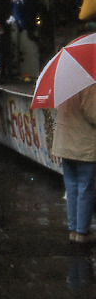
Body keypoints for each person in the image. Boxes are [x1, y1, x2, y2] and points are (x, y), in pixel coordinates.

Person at [52, 86, 96, 243]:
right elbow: (93, 114)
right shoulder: (89, 84)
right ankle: (82, 232)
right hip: (83, 144)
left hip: (65, 142)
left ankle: (73, 230)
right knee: (85, 188)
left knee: (71, 187)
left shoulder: (65, 82)